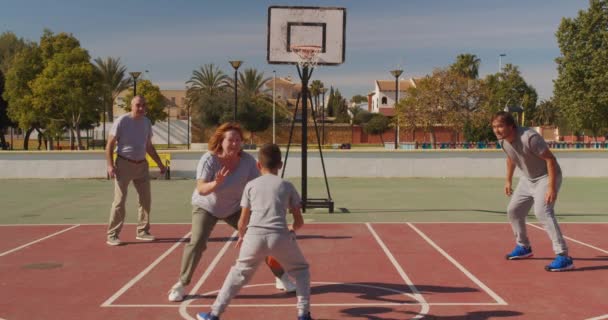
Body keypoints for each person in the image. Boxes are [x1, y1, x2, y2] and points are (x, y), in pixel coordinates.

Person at [168, 124, 296, 302]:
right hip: (207, 205)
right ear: (221, 141)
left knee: (264, 237)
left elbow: (260, 185)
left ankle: (281, 277)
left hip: (235, 207)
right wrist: (216, 183)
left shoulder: (247, 162)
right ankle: (181, 284)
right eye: (231, 140)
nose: (235, 144)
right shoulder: (209, 159)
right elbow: (202, 189)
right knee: (197, 242)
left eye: (238, 140)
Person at [196, 143, 312, 320]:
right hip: (279, 236)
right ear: (280, 165)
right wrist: (291, 229)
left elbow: (243, 220)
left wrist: (242, 235)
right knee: (301, 271)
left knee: (238, 273)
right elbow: (299, 221)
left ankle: (214, 314)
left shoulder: (250, 186)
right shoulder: (287, 186)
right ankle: (303, 314)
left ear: (258, 165)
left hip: (253, 237)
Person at [491, 111, 574, 271]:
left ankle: (563, 256)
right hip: (527, 179)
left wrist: (551, 187)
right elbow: (511, 158)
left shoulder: (529, 137)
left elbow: (550, 159)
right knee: (514, 211)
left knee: (543, 212)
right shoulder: (503, 141)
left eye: (500, 126)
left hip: (546, 177)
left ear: (511, 126)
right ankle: (524, 247)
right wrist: (508, 180)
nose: (497, 130)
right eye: (494, 127)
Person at [105, 95, 166, 246]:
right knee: (119, 201)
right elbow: (110, 145)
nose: (141, 108)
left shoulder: (146, 122)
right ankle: (112, 235)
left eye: (143, 105)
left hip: (142, 165)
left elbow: (149, 147)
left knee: (145, 200)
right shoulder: (122, 121)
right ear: (131, 106)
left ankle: (143, 231)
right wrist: (110, 165)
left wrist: (160, 164)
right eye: (138, 105)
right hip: (123, 164)